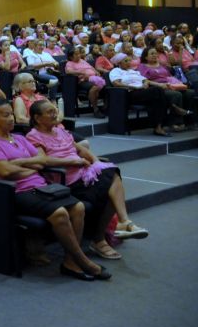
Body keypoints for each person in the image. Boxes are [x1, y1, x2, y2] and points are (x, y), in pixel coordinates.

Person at [0, 100, 110, 281]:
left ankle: (69, 262)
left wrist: (20, 163)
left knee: (79, 207)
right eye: (6, 115)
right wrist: (32, 167)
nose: (11, 118)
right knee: (59, 213)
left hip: (42, 186)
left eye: (11, 114)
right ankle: (82, 261)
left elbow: (43, 161)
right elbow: (5, 171)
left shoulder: (19, 138)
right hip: (17, 192)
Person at [27, 100, 148, 260]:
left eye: (54, 110)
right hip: (64, 179)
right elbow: (44, 161)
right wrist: (73, 162)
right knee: (110, 181)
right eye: (49, 112)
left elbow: (80, 149)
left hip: (82, 173)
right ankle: (102, 238)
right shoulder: (33, 136)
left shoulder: (60, 131)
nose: (55, 114)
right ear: (37, 118)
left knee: (111, 174)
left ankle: (119, 224)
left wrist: (96, 162)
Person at [108, 54, 171, 136]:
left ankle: (158, 127)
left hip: (142, 91)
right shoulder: (116, 71)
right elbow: (116, 83)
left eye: (129, 60)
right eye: (126, 61)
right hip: (130, 93)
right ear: (119, 63)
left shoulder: (133, 71)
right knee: (157, 91)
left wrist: (145, 83)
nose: (129, 63)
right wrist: (132, 87)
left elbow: (145, 80)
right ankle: (172, 108)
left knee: (157, 99)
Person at [138, 47, 194, 131]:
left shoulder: (161, 65)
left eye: (155, 53)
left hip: (170, 85)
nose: (155, 55)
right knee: (176, 95)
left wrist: (176, 82)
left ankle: (188, 121)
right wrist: (161, 84)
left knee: (190, 93)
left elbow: (169, 76)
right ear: (146, 57)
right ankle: (175, 123)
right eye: (152, 54)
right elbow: (143, 80)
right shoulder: (142, 66)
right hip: (157, 88)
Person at [65, 47, 106, 118]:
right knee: (94, 88)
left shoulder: (82, 60)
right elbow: (68, 71)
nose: (79, 55)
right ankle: (96, 109)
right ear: (71, 57)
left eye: (79, 53)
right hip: (82, 81)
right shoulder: (70, 63)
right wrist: (81, 72)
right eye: (76, 54)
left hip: (93, 78)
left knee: (107, 86)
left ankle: (106, 106)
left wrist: (96, 72)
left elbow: (90, 67)